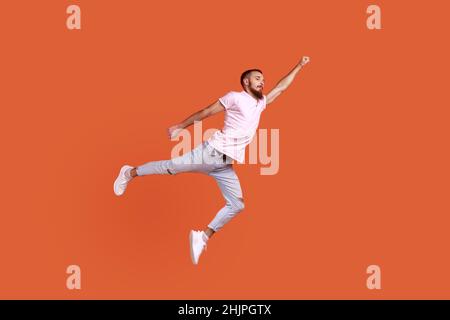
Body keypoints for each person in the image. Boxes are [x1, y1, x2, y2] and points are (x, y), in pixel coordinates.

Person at [113, 56, 310, 265]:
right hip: (210, 153)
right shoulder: (235, 97)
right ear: (246, 82)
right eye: (257, 78)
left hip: (224, 165)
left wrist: (299, 66)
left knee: (237, 205)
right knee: (170, 168)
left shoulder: (260, 103)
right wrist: (181, 126)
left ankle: (202, 236)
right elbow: (206, 111)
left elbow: (281, 88)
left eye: (263, 79)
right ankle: (129, 172)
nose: (263, 82)